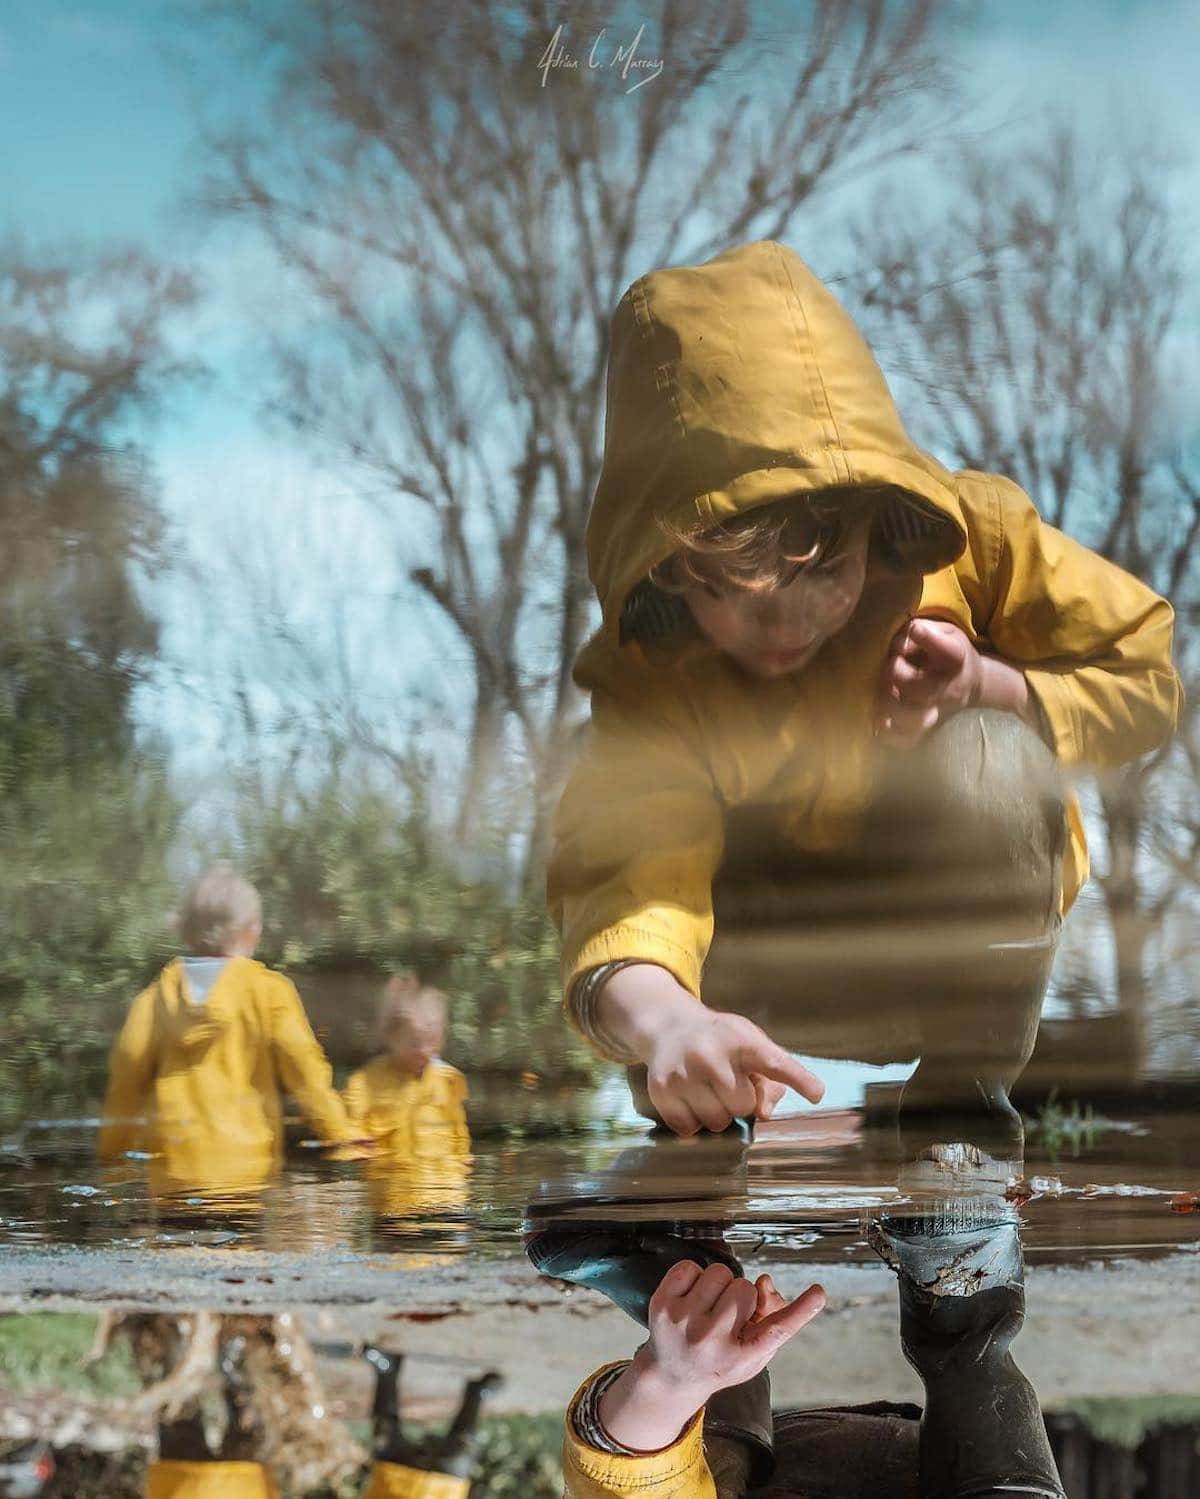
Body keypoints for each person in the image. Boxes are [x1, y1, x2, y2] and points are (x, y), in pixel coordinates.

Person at [547, 237, 1182, 1138]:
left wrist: (995, 686)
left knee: (992, 752)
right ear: (668, 572)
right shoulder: (655, 680)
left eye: (822, 573)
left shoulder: (980, 543)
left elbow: (1145, 677)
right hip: (753, 974)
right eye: (726, 593)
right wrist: (670, 1023)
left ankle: (960, 1109)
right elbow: (627, 884)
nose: (783, 625)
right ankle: (700, 1085)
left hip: (942, 960)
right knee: (614, 818)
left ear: (872, 520)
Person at [98, 864, 370, 1202]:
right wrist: (342, 1136)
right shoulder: (269, 991)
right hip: (245, 1175)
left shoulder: (153, 999)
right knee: (239, 1253)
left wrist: (113, 1157)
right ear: (250, 930)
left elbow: (126, 1076)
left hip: (174, 1176)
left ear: (185, 929)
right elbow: (304, 1073)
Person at [342, 973, 472, 1224]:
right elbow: (350, 1126)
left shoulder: (447, 1080)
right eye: (415, 1042)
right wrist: (354, 1145)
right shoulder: (367, 1082)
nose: (424, 1050)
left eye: (432, 1041)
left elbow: (458, 1130)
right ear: (391, 1036)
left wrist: (463, 1159)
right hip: (394, 1202)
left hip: (447, 1198)